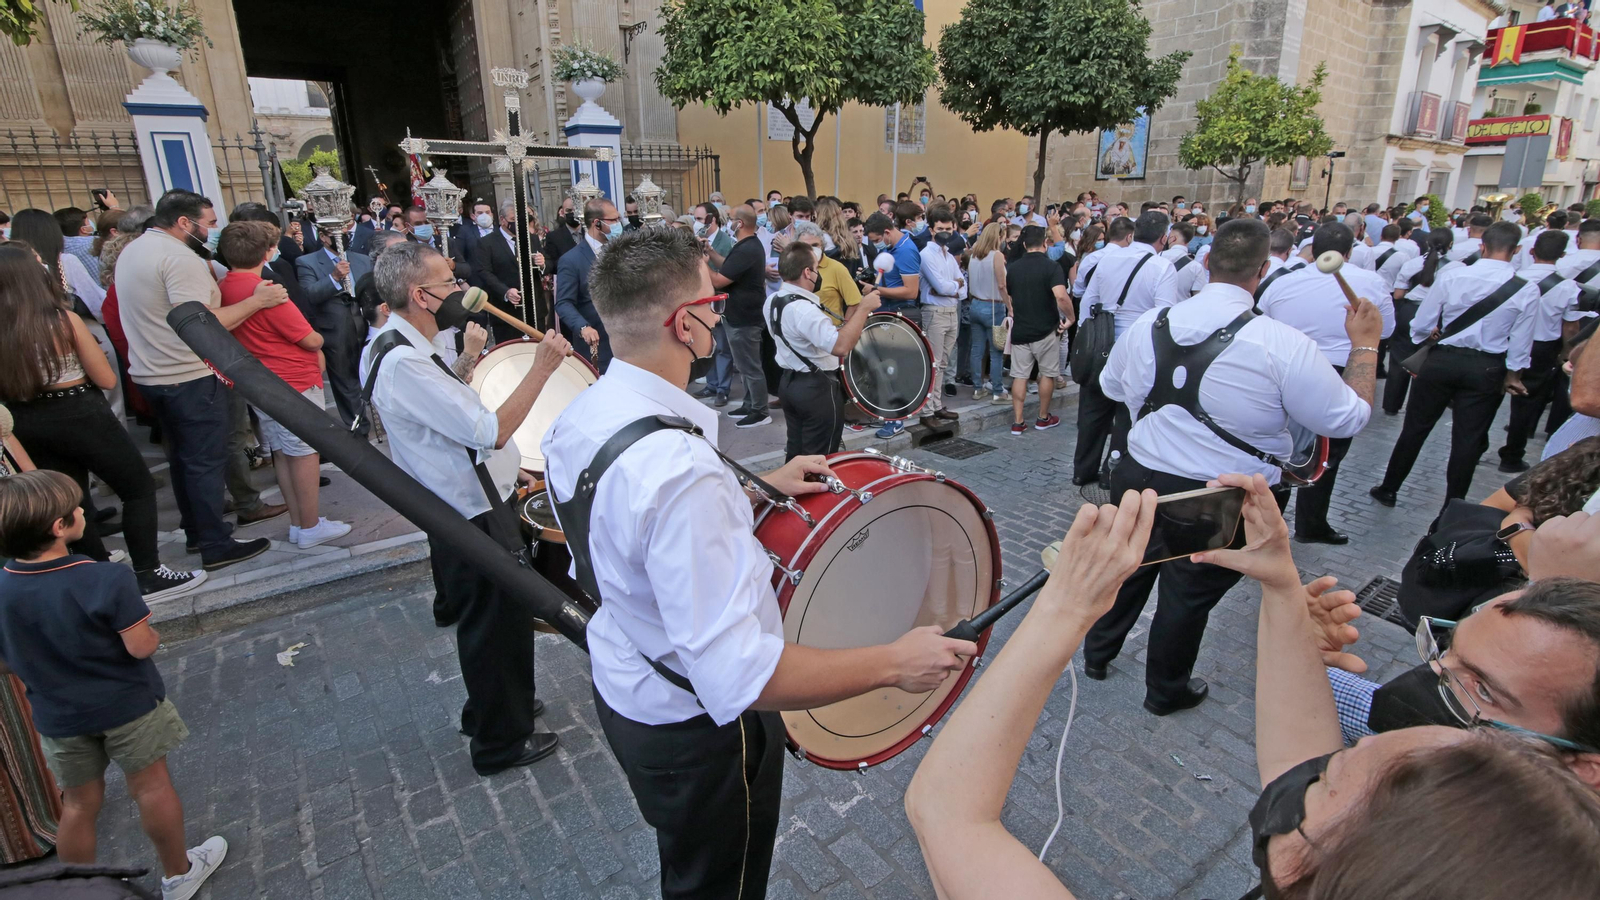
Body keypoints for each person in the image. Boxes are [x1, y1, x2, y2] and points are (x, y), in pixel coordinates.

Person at [907, 476, 1600, 899]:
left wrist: (1065, 607)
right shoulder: (1481, 848)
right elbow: (1301, 772)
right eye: (1442, 653)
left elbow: (948, 812)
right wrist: (1279, 580)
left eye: (1479, 692)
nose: (1363, 744)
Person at [541, 226, 975, 900]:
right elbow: (738, 673)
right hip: (698, 734)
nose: (719, 317)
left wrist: (754, 488)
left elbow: (627, 532)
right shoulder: (679, 471)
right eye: (711, 305)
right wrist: (895, 662)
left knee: (691, 870)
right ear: (683, 324)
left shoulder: (585, 412)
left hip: (629, 683)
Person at [1094, 218, 1379, 714]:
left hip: (1139, 474)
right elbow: (1347, 417)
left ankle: (1097, 655)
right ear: (1263, 270)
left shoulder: (1149, 323)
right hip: (1218, 494)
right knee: (1186, 596)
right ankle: (1164, 693)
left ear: (1207, 262)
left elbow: (1111, 387)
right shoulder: (1282, 343)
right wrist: (1366, 344)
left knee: (1127, 569)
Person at [367, 241, 570, 775]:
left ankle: (493, 709)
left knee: (494, 620)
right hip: (471, 511)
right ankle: (501, 742)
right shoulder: (404, 361)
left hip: (469, 497)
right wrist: (542, 367)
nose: (460, 289)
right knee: (495, 623)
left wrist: (508, 467)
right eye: (448, 283)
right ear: (421, 296)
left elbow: (446, 414)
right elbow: (490, 430)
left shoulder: (396, 342)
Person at [0, 470, 228, 900]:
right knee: (151, 787)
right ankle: (178, 874)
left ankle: (78, 890)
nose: (83, 509)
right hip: (126, 705)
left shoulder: (4, 586)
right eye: (75, 507)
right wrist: (154, 636)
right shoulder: (104, 578)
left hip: (59, 715)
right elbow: (140, 647)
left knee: (78, 804)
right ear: (59, 527)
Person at [116, 189, 278, 570]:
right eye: (209, 223)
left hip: (153, 374)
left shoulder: (134, 250)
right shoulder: (178, 257)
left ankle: (196, 531)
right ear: (184, 223)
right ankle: (214, 543)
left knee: (184, 460)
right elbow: (200, 323)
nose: (213, 230)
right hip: (187, 374)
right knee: (205, 461)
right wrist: (257, 301)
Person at [1372, 222, 1542, 505]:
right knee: (1468, 439)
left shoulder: (1452, 276)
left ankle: (1389, 488)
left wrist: (1424, 339)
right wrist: (1514, 373)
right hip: (1487, 366)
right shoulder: (1526, 289)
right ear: (1517, 250)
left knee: (1415, 427)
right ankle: (1453, 505)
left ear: (1482, 246)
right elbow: (1522, 341)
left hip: (1443, 359)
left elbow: (1422, 324)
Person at [1258, 222, 1394, 544]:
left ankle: (1269, 526)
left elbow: (1264, 321)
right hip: (1340, 369)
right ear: (1348, 252)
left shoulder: (1282, 282)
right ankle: (1309, 524)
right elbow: (1385, 329)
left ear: (1312, 250)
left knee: (1281, 446)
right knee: (1328, 454)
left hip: (1287, 368)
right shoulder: (1372, 283)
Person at [217, 220, 350, 549]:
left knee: (283, 451)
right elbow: (309, 338)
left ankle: (299, 522)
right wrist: (318, 340)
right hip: (292, 379)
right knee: (303, 453)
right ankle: (309, 525)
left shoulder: (226, 285)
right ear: (266, 252)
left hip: (263, 379)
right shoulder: (266, 291)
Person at [1074, 212, 1180, 483]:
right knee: (1127, 412)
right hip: (1137, 348)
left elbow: (1088, 301)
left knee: (1092, 410)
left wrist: (1086, 339)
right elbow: (1163, 315)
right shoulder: (1162, 267)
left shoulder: (1108, 259)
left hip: (1101, 343)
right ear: (1164, 238)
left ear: (1133, 234)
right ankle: (1112, 472)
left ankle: (1082, 471)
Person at [766, 241, 881, 458]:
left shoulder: (773, 300)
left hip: (790, 383)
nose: (818, 275)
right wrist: (864, 308)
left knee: (797, 453)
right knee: (820, 458)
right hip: (817, 389)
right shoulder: (804, 310)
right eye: (816, 270)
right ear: (807, 272)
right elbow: (841, 347)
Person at [1500, 231, 1593, 471]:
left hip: (1505, 342)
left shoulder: (1513, 278)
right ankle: (1512, 456)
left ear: (1532, 252)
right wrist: (1566, 351)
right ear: (1562, 255)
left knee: (1491, 395)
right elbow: (1570, 326)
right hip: (1542, 348)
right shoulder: (1568, 287)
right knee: (1527, 402)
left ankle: (1477, 446)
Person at [294, 220, 373, 434]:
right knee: (346, 380)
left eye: (346, 233)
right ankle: (358, 428)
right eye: (337, 233)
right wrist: (334, 277)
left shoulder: (362, 260)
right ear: (323, 237)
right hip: (336, 328)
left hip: (366, 322)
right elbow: (309, 295)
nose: (343, 237)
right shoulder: (307, 262)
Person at [1005, 226, 1072, 437]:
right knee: (1048, 374)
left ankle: (1018, 421)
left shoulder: (1013, 268)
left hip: (1021, 328)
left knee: (1019, 375)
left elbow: (1010, 294)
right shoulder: (1052, 266)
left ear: (1024, 245)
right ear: (1045, 243)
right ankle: (1043, 417)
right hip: (1046, 328)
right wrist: (1071, 317)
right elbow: (1061, 296)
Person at [709, 205, 771, 428]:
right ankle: (749, 404)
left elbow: (719, 280)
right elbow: (729, 267)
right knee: (744, 366)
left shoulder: (748, 248)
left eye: (731, 218)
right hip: (739, 316)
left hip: (746, 318)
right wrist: (709, 252)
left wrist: (700, 263)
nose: (728, 221)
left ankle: (760, 411)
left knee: (750, 367)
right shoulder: (745, 246)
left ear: (740, 223)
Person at [554, 198, 618, 371]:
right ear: (597, 223)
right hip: (597, 348)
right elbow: (564, 303)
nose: (618, 224)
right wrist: (583, 327)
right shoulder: (571, 260)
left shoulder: (623, 252)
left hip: (627, 346)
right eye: (613, 220)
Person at [918, 205, 965, 425]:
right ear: (931, 229)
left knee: (943, 363)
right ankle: (926, 411)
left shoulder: (949, 255)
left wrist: (952, 287)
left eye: (948, 228)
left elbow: (962, 287)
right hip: (934, 312)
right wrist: (954, 286)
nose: (945, 232)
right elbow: (940, 286)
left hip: (951, 311)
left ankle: (936, 406)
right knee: (933, 363)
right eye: (940, 228)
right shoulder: (926, 255)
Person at [477, 199, 547, 344]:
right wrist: (505, 291)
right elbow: (484, 272)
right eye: (513, 220)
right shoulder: (487, 243)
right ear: (502, 220)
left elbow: (547, 264)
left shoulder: (532, 239)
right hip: (506, 313)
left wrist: (542, 264)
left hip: (535, 309)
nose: (518, 224)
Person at [966, 223, 1011, 404]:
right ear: (998, 237)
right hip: (994, 306)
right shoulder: (996, 255)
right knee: (996, 351)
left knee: (977, 349)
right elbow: (1001, 285)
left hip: (976, 304)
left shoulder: (974, 255)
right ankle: (998, 391)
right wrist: (1010, 306)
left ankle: (978, 388)